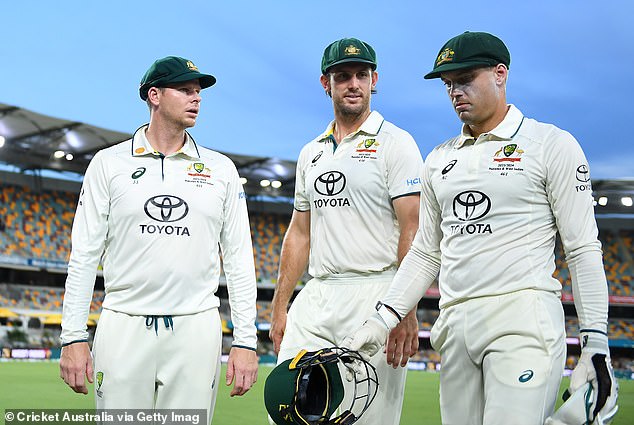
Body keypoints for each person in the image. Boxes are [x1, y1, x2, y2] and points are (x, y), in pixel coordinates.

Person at [343, 31, 619, 425]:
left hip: (521, 319)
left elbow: (582, 248)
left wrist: (596, 342)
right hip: (454, 327)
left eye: (466, 78)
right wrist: (382, 319)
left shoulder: (550, 144)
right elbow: (425, 252)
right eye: (449, 83)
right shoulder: (439, 159)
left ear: (500, 74)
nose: (456, 91)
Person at [59, 56, 259, 423]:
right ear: (154, 95)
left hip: (195, 328)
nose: (196, 98)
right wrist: (72, 336)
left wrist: (245, 340)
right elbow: (84, 255)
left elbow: (240, 260)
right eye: (185, 90)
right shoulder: (109, 163)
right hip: (123, 324)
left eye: (198, 91)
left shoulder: (221, 170)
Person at [268, 37, 424, 425]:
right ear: (327, 84)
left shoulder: (396, 143)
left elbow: (413, 227)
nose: (353, 83)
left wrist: (404, 308)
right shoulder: (312, 152)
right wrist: (280, 304)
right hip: (318, 294)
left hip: (375, 293)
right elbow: (299, 233)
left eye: (361, 75)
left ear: (374, 80)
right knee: (287, 411)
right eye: (342, 76)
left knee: (367, 414)